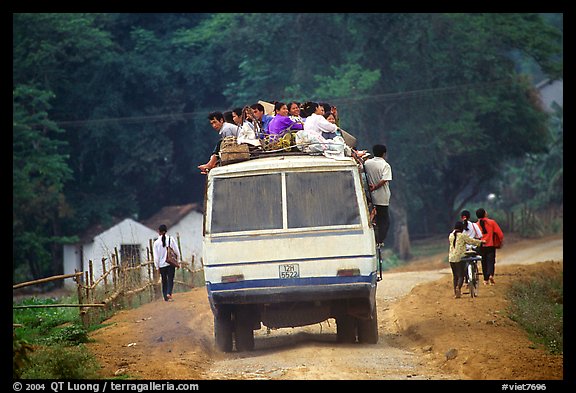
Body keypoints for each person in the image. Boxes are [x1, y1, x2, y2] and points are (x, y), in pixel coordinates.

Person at [363, 144, 392, 247]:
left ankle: (374, 238)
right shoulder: (385, 165)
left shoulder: (367, 163)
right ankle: (379, 241)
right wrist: (375, 187)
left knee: (374, 218)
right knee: (385, 221)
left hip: (370, 196)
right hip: (382, 197)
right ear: (384, 154)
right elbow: (384, 180)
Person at [449, 221, 483, 298]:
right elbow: (471, 241)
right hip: (460, 258)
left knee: (455, 276)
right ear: (462, 228)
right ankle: (458, 288)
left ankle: (456, 292)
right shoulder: (462, 236)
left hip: (451, 258)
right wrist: (481, 242)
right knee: (461, 275)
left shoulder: (451, 235)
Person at [475, 208, 504, 286]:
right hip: (490, 245)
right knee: (491, 261)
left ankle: (485, 280)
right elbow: (500, 234)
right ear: (485, 214)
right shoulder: (492, 222)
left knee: (483, 262)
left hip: (481, 246)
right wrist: (499, 241)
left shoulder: (476, 225)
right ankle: (491, 275)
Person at [153, 224, 181, 302]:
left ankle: (165, 297)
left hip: (162, 265)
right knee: (170, 279)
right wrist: (177, 261)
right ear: (166, 231)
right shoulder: (171, 239)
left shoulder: (156, 243)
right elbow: (176, 251)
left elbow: (156, 257)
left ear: (159, 232)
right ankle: (169, 293)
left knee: (164, 280)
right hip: (170, 263)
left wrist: (157, 267)